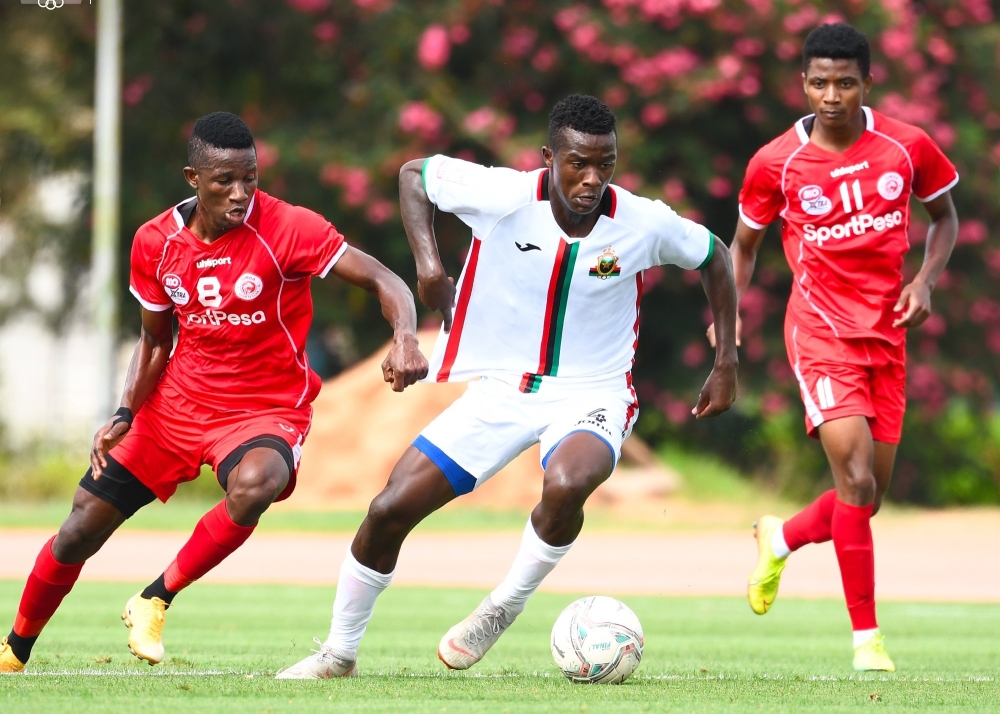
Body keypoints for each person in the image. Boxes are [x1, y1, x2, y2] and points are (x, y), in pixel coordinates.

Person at [277, 94, 739, 679]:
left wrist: (726, 359)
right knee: (390, 508)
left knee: (568, 481)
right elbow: (413, 176)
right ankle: (338, 653)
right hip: (502, 392)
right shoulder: (501, 195)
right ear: (549, 157)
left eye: (606, 163)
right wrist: (429, 268)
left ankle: (505, 604)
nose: (592, 179)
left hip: (593, 394)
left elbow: (715, 256)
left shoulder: (643, 222)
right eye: (578, 163)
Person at [0, 112, 427, 673]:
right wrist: (126, 410)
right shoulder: (154, 242)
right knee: (81, 526)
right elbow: (154, 341)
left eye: (249, 177)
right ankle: (14, 649)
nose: (241, 192)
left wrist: (405, 337)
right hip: (176, 405)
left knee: (257, 485)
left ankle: (155, 597)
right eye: (224, 180)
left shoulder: (289, 228)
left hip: (265, 407)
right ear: (192, 178)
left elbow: (384, 279)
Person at [709, 23, 959, 671]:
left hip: (889, 334)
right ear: (803, 84)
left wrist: (926, 281)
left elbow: (946, 217)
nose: (831, 94)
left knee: (867, 497)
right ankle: (866, 642)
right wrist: (728, 319)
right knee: (852, 478)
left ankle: (780, 537)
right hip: (819, 331)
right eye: (819, 82)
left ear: (867, 84)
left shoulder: (907, 147)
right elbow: (743, 246)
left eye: (845, 82)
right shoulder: (776, 163)